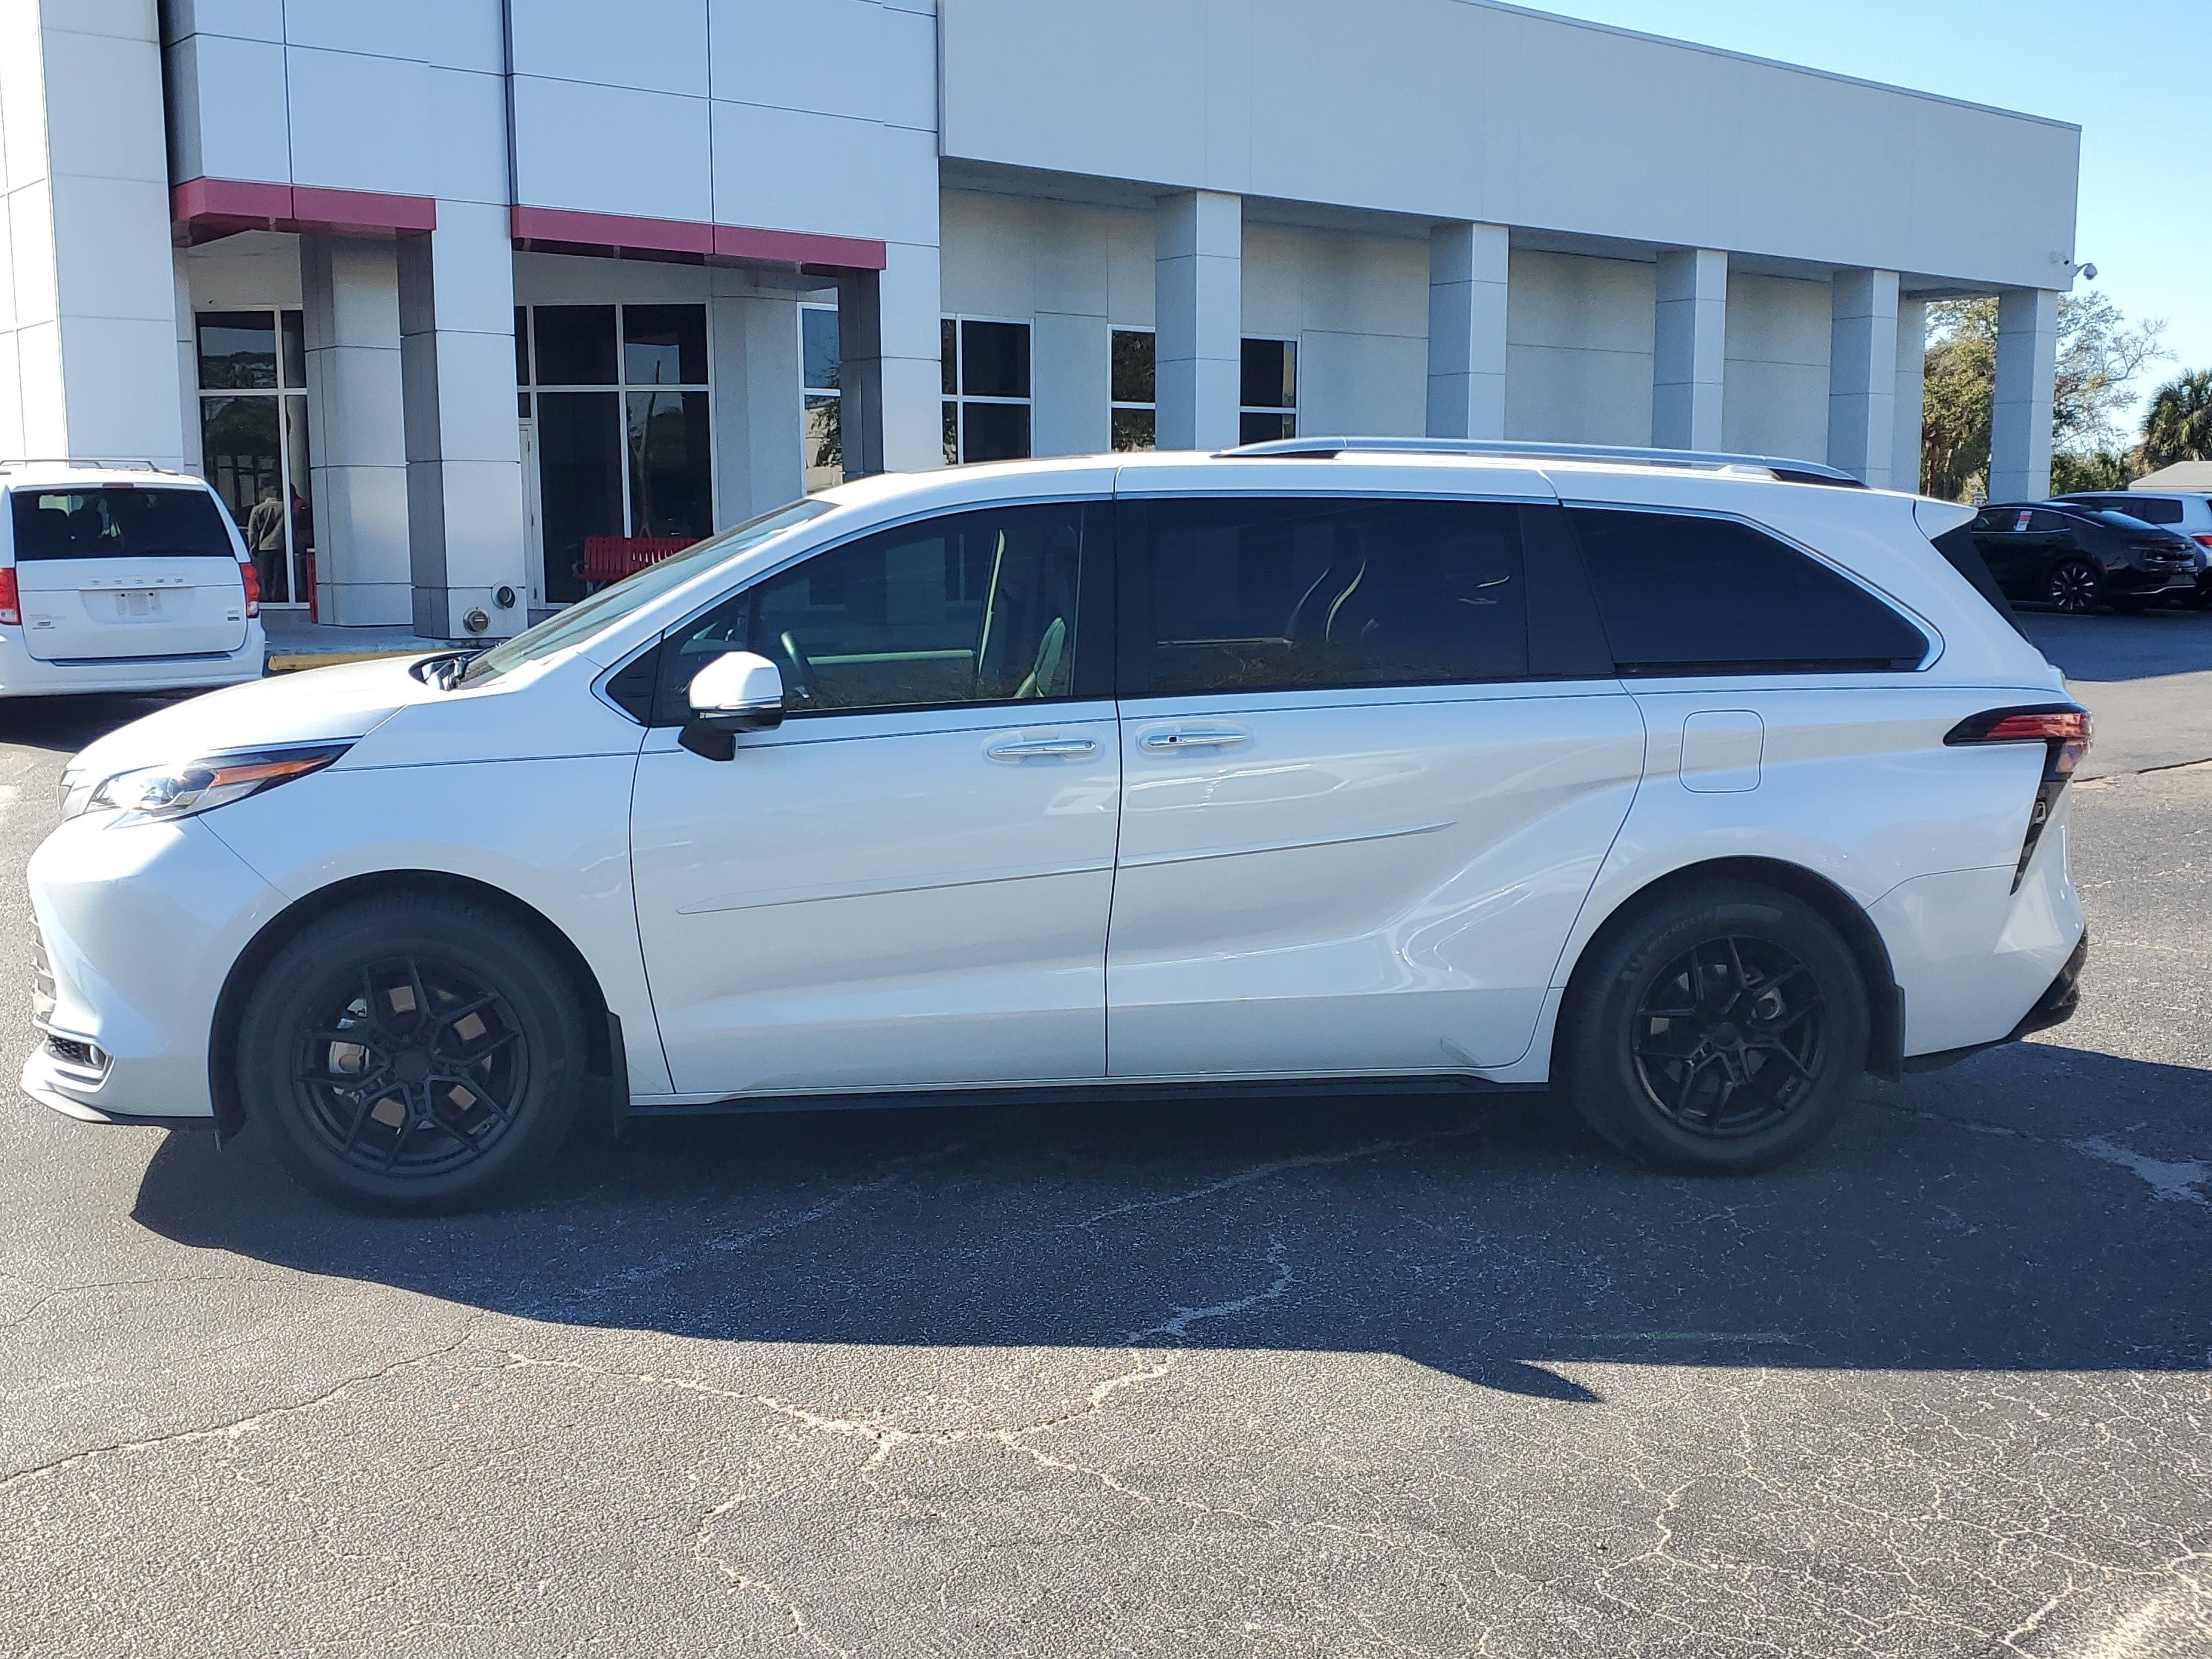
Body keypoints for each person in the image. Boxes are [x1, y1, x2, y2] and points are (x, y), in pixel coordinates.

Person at [245, 486, 285, 600]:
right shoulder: (285, 508)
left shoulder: (258, 509)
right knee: (279, 578)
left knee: (266, 578)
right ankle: (278, 598)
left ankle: (267, 599)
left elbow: (253, 531)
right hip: (281, 546)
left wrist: (253, 548)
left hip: (264, 548)